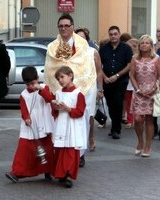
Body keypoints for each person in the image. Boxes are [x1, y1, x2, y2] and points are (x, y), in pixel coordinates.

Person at [44, 13, 96, 167]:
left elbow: (86, 66)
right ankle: (61, 151)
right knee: (61, 122)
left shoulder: (83, 45)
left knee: (81, 121)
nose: (64, 28)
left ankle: (80, 153)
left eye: (67, 25)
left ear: (73, 27)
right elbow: (50, 67)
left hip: (80, 88)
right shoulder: (52, 47)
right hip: (60, 89)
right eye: (61, 26)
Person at [5, 66, 54, 183]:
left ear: (37, 78)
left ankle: (48, 170)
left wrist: (40, 89)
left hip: (43, 123)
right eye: (28, 84)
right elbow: (23, 109)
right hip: (30, 126)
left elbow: (49, 99)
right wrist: (26, 118)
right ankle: (16, 172)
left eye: (33, 83)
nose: (31, 86)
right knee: (24, 149)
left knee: (46, 148)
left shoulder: (44, 88)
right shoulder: (23, 94)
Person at [40, 66, 86, 188]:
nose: (60, 80)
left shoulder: (78, 94)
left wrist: (68, 108)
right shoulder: (58, 93)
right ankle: (61, 174)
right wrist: (55, 108)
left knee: (70, 151)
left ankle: (68, 175)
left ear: (70, 75)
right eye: (58, 78)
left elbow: (80, 111)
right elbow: (54, 112)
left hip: (72, 125)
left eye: (62, 77)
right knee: (60, 150)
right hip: (61, 124)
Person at [130, 34, 160, 157]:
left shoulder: (156, 59)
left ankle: (148, 145)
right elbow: (132, 75)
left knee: (149, 119)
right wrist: (137, 89)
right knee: (138, 119)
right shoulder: (134, 58)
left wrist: (155, 87)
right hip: (139, 92)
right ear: (139, 45)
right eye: (142, 43)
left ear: (151, 46)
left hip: (152, 93)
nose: (144, 45)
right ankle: (140, 142)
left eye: (147, 43)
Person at [99, 25, 133, 139]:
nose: (113, 36)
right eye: (111, 34)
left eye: (115, 34)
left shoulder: (126, 48)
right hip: (107, 81)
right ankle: (114, 125)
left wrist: (117, 75)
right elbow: (99, 66)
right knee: (110, 104)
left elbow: (129, 65)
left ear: (119, 34)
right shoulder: (104, 49)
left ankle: (116, 129)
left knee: (118, 104)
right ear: (109, 35)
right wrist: (104, 77)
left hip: (120, 81)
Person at [75, 27, 103, 152]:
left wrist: (100, 89)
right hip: (75, 87)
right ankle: (78, 140)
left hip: (90, 87)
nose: (80, 39)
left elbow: (99, 72)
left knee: (89, 114)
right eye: (78, 37)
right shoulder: (71, 52)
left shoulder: (93, 52)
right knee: (77, 113)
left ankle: (91, 136)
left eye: (83, 37)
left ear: (87, 39)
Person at [124, 38, 138, 128]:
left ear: (135, 47)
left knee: (138, 102)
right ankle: (130, 120)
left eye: (129, 47)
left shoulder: (138, 57)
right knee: (128, 102)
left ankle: (137, 119)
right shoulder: (126, 56)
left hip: (138, 83)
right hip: (128, 83)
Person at [153, 25, 160, 140]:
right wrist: (155, 49)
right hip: (154, 78)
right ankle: (154, 129)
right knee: (154, 103)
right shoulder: (152, 46)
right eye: (158, 31)